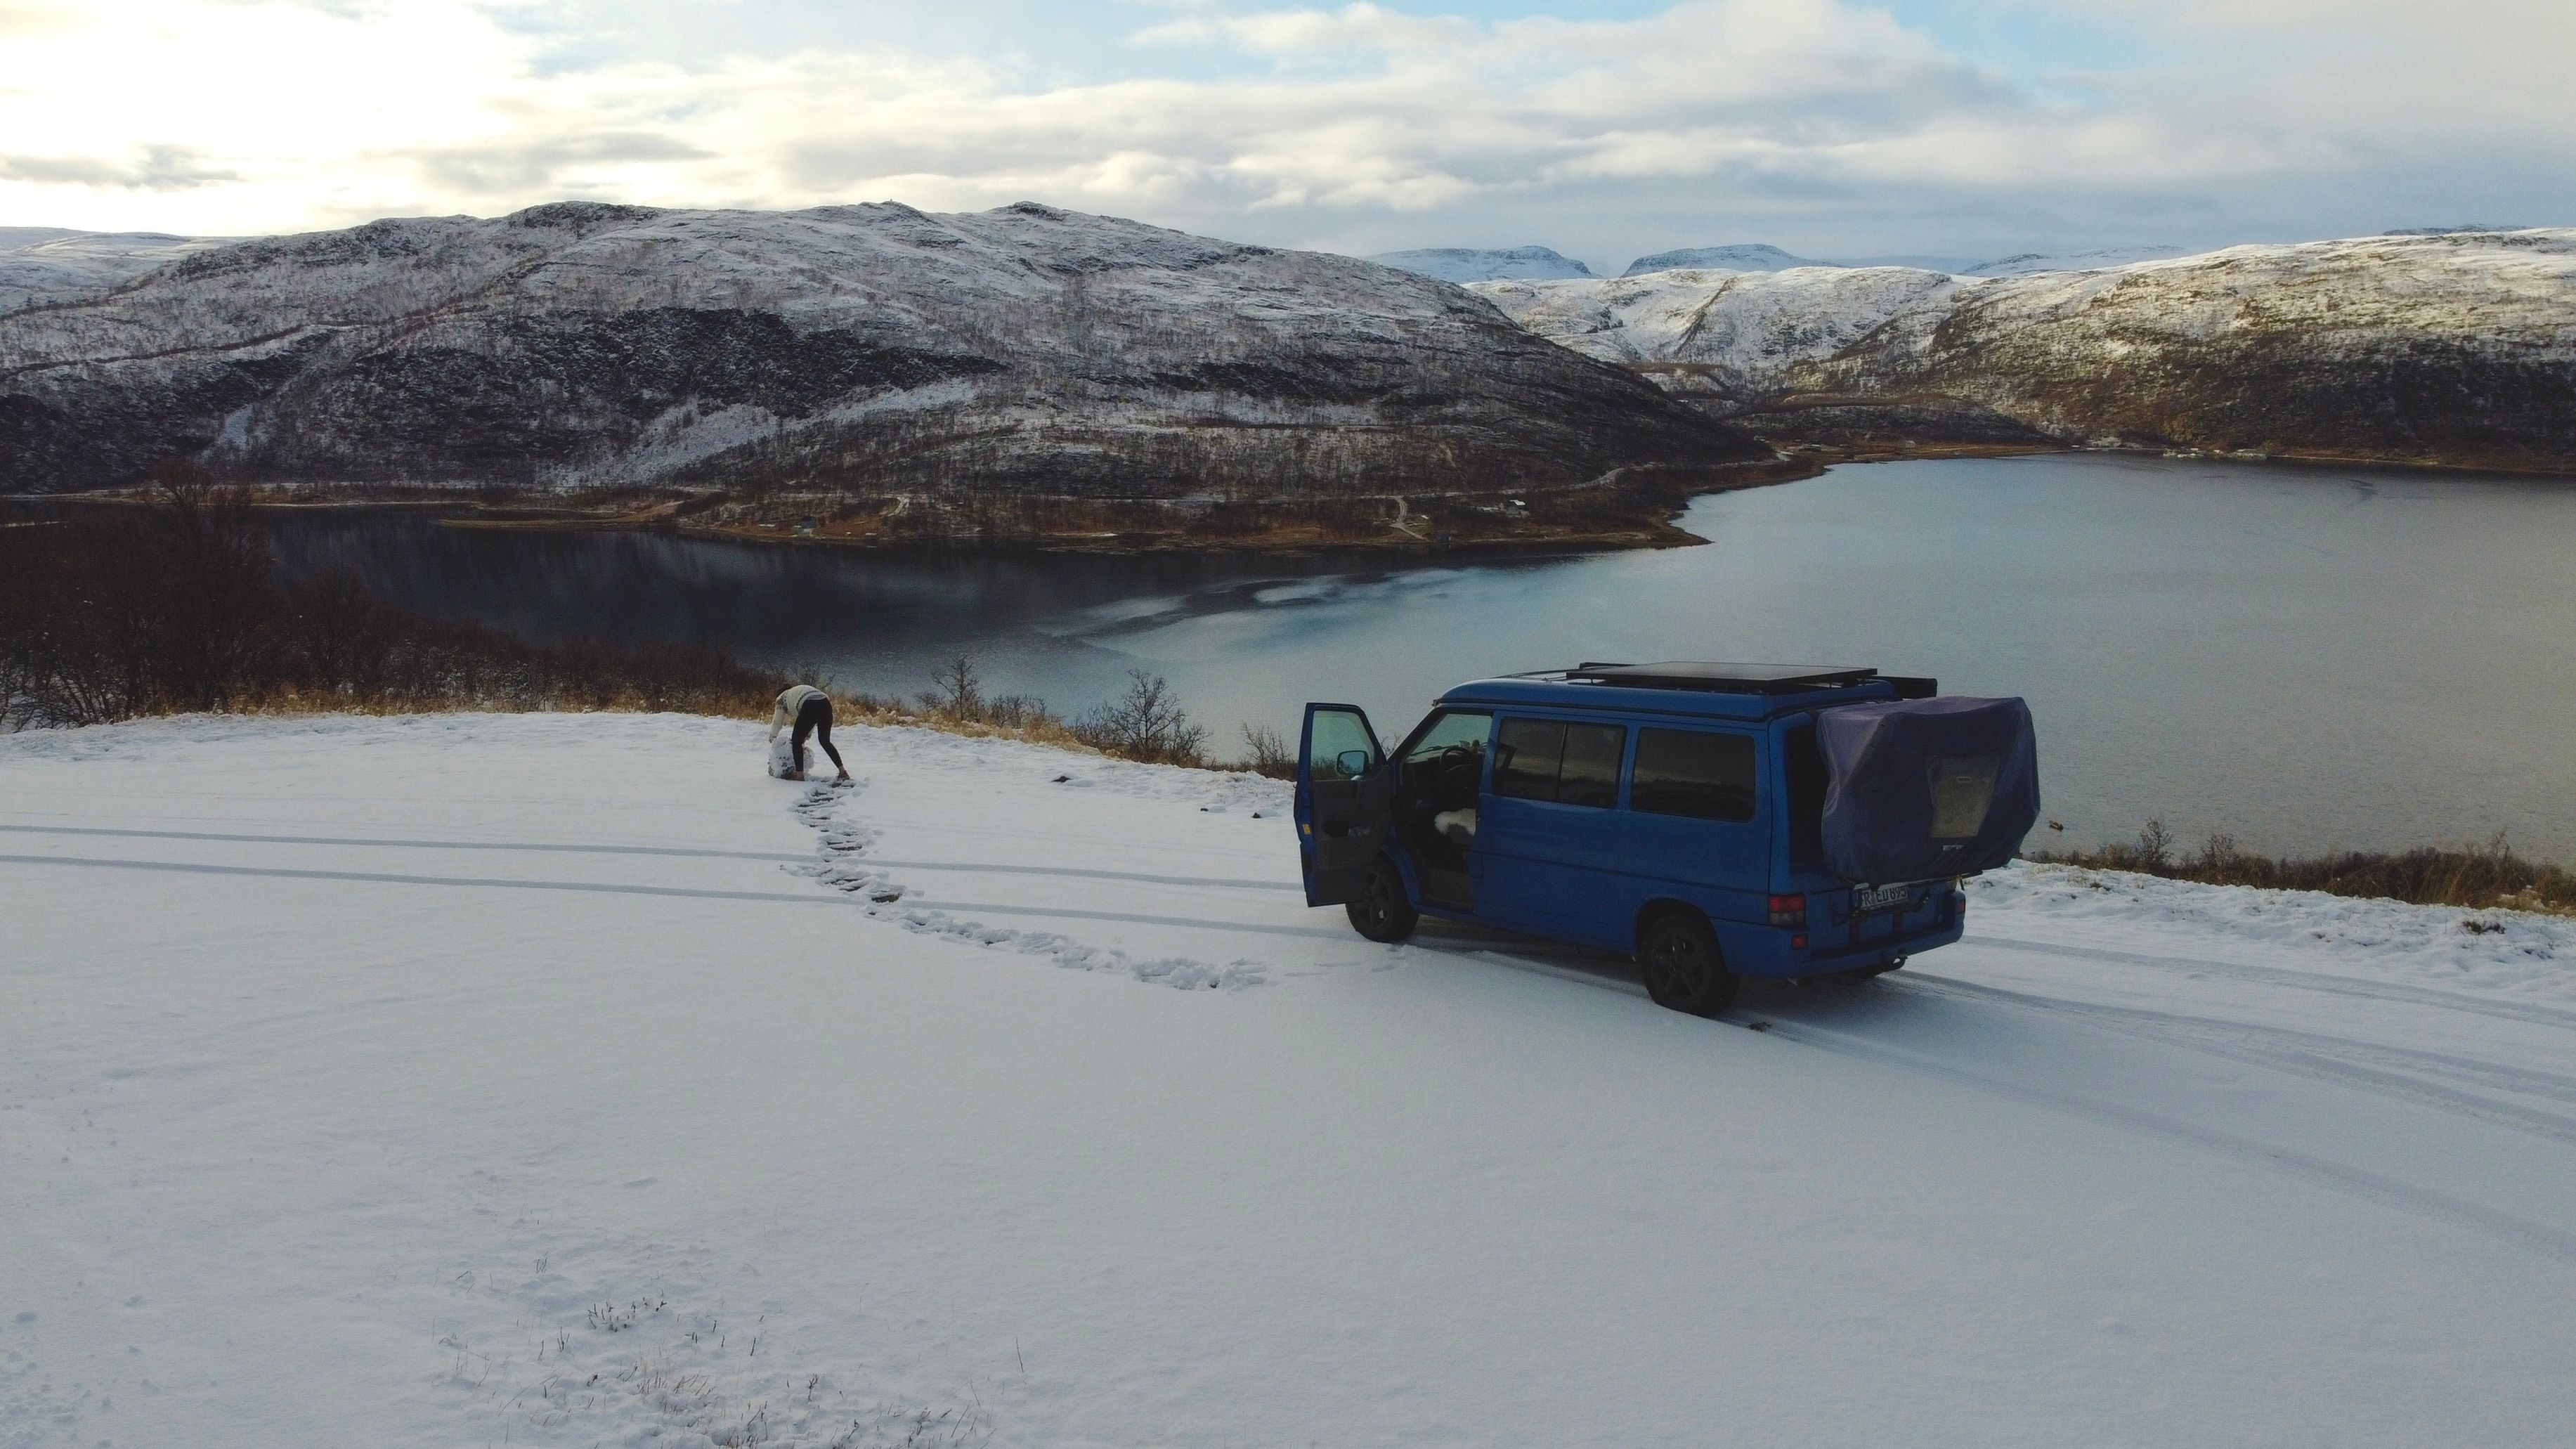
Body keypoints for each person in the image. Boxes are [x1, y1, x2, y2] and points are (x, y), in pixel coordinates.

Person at [768, 683, 850, 781]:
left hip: (810, 704)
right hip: (825, 703)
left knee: (796, 742)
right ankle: (843, 772)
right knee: (825, 740)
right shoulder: (797, 692)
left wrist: (773, 737)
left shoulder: (781, 698)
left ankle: (799, 776)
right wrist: (805, 737)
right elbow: (809, 721)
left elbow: (777, 721)